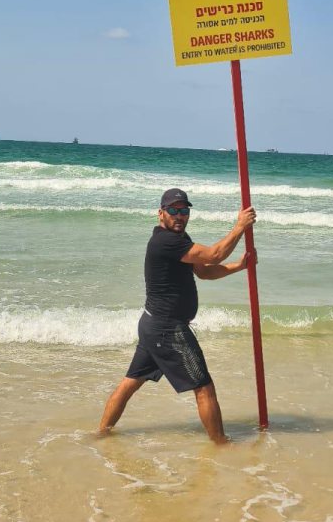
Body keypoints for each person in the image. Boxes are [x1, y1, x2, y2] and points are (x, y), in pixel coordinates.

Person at [98, 188, 256, 444]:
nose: (180, 216)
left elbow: (205, 272)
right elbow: (214, 254)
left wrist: (239, 266)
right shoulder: (166, 242)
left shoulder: (179, 240)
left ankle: (101, 433)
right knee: (204, 388)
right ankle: (221, 444)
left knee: (130, 383)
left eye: (184, 211)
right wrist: (239, 227)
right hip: (168, 330)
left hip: (153, 325)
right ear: (161, 213)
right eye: (174, 210)